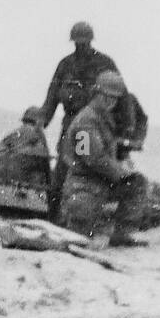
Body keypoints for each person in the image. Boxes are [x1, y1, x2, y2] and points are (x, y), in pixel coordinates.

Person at [38, 22, 129, 216]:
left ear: (90, 41)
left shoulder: (105, 63)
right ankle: (53, 216)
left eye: (84, 42)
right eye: (78, 43)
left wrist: (125, 131)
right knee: (63, 171)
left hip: (98, 124)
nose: (81, 46)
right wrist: (42, 121)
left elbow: (122, 97)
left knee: (95, 167)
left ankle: (88, 213)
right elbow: (52, 95)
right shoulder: (65, 65)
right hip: (72, 123)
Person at [59, 71, 154, 246]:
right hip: (84, 186)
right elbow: (92, 159)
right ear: (97, 94)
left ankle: (123, 234)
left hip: (100, 182)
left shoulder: (101, 118)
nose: (110, 101)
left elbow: (105, 148)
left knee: (137, 183)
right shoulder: (85, 121)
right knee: (78, 239)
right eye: (106, 96)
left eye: (114, 98)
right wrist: (121, 172)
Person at [0, 106, 51, 191]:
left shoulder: (13, 134)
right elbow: (45, 164)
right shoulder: (38, 135)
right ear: (38, 122)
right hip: (21, 183)